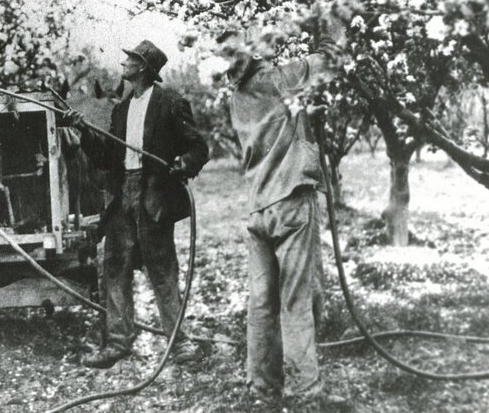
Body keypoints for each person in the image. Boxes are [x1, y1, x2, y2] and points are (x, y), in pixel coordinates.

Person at [216, 20, 341, 401]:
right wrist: (328, 23)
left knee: (262, 304)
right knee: (295, 300)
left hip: (258, 210)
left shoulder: (236, 97)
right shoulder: (280, 78)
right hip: (289, 203)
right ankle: (307, 390)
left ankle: (263, 386)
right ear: (251, 52)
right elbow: (329, 60)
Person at [67, 40, 209, 369]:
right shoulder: (121, 109)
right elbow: (107, 159)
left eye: (130, 60)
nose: (124, 64)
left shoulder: (172, 103)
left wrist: (183, 164)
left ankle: (179, 345)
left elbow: (198, 148)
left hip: (153, 195)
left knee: (162, 273)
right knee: (114, 270)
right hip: (123, 197)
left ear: (143, 67)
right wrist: (84, 132)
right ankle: (118, 343)